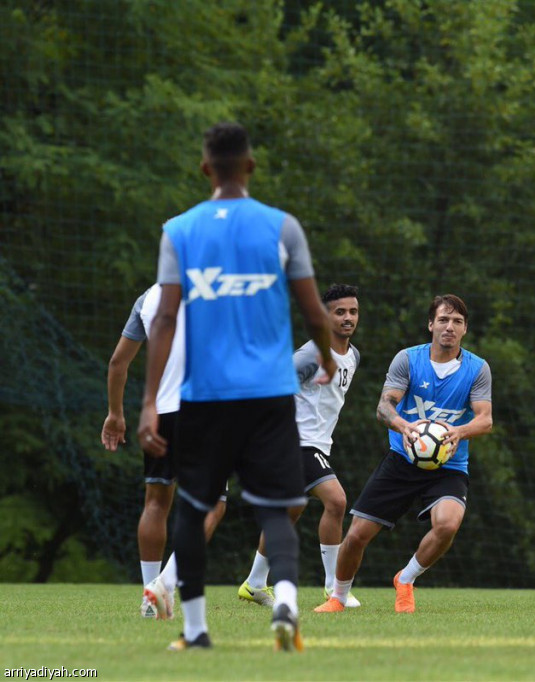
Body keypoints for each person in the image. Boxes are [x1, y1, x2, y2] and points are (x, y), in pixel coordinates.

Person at [137, 122, 337, 652]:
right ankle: (287, 602)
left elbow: (164, 320)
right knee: (276, 506)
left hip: (205, 396)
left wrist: (149, 402)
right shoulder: (282, 227)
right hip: (269, 394)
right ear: (250, 166)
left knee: (193, 508)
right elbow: (314, 311)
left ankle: (196, 631)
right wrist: (326, 356)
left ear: (205, 168)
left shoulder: (179, 231)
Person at [314, 294, 492, 615]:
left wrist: (459, 432)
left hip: (449, 465)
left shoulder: (477, 369)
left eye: (457, 322)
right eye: (443, 320)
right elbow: (384, 407)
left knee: (448, 525)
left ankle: (405, 579)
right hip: (402, 460)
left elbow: (485, 419)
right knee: (356, 535)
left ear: (465, 329)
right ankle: (337, 598)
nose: (449, 327)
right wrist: (404, 426)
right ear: (430, 324)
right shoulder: (408, 360)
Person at [102, 284, 227, 619]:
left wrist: (115, 414)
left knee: (156, 502)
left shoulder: (147, 298)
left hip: (159, 416)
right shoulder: (220, 286)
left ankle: (149, 597)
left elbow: (117, 362)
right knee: (214, 504)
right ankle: (165, 584)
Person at [239, 283, 363, 609]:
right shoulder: (311, 355)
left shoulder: (353, 355)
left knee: (290, 510)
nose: (348, 318)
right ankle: (334, 588)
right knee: (336, 501)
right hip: (297, 442)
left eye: (353, 312)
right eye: (340, 312)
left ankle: (254, 583)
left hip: (318, 443)